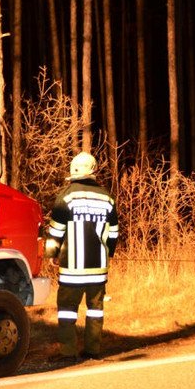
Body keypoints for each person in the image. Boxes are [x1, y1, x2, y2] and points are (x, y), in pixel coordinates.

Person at [46, 151, 120, 361]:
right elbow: (114, 232)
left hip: (72, 269)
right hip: (98, 268)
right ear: (93, 170)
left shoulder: (67, 196)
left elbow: (56, 231)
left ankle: (68, 352)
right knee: (95, 310)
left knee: (67, 310)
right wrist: (108, 253)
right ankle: (92, 351)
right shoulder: (107, 198)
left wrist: (52, 253)